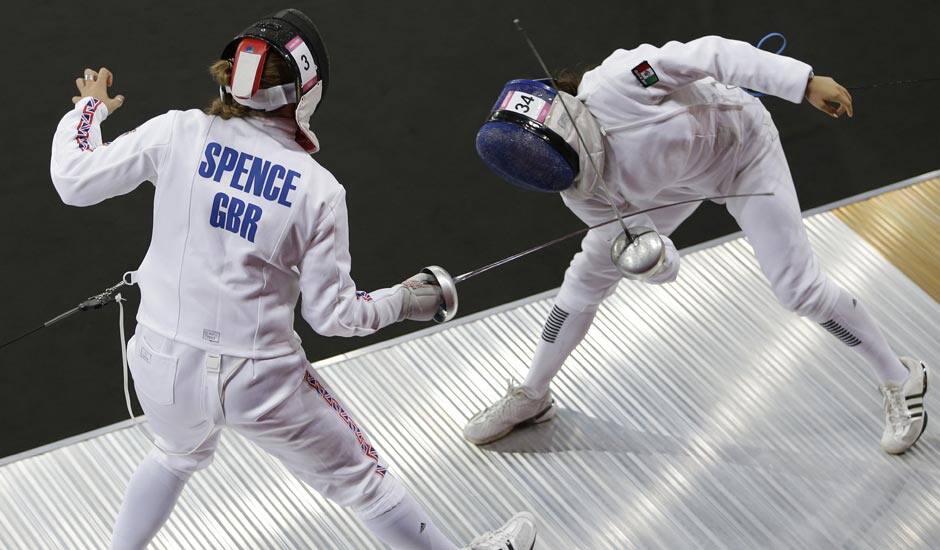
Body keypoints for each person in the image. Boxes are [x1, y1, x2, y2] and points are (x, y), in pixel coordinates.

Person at [51, 9, 536, 550]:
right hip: (259, 378)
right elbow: (336, 317)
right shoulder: (316, 189)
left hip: (162, 361)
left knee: (174, 454)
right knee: (365, 486)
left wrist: (88, 108)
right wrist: (407, 299)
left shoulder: (176, 132)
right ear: (304, 93)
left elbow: (73, 180)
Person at [465, 35, 928, 455]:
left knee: (797, 289)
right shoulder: (582, 190)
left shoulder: (620, 82)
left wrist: (803, 82)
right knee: (587, 276)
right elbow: (645, 244)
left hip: (744, 153)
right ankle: (532, 394)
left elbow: (711, 54)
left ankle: (899, 376)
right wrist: (655, 262)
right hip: (674, 186)